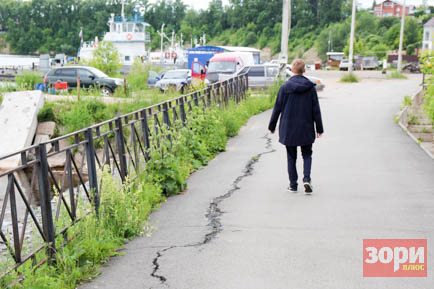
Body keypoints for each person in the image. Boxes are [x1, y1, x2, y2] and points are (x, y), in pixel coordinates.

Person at [268, 59, 324, 194]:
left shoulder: (285, 87)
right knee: (307, 154)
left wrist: (272, 125)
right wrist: (319, 128)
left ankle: (293, 185)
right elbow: (316, 109)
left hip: (289, 127)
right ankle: (306, 179)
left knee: (291, 156)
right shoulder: (310, 88)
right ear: (304, 70)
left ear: (292, 71)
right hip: (306, 126)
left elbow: (277, 108)